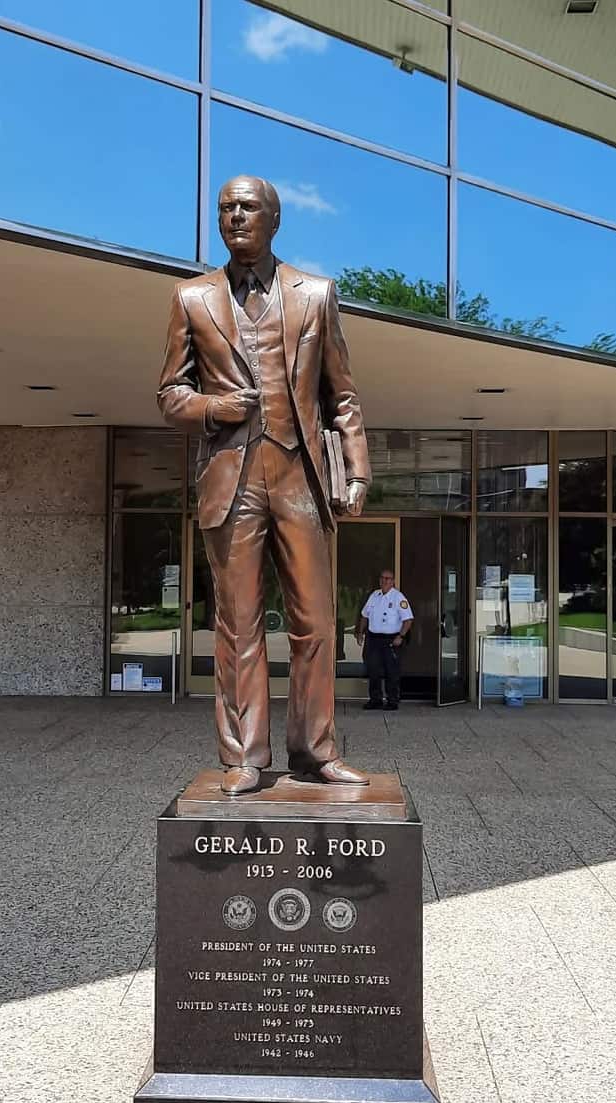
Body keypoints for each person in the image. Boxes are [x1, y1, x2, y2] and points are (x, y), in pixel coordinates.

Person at [157, 175, 372, 795]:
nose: (235, 216)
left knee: (317, 623)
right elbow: (170, 394)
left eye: (248, 207)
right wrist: (213, 408)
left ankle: (315, 752)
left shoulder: (317, 294)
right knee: (238, 625)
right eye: (226, 207)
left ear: (274, 218)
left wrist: (357, 470)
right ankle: (244, 756)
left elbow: (343, 395)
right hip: (231, 480)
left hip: (299, 476)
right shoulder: (192, 298)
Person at [356, 570, 414, 711]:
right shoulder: (374, 596)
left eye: (388, 578)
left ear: (393, 581)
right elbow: (364, 615)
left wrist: (401, 636)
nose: (385, 581)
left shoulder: (398, 597)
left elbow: (408, 620)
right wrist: (360, 632)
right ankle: (375, 700)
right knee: (373, 670)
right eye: (382, 578)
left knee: (391, 671)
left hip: (391, 640)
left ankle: (392, 700)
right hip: (373, 639)